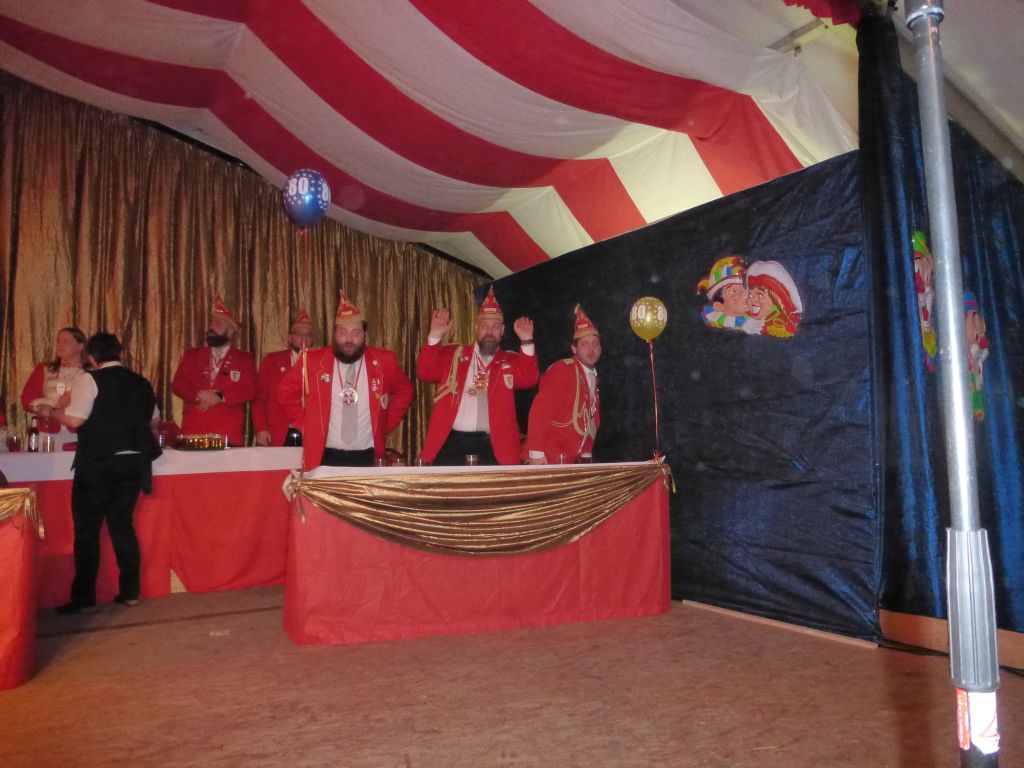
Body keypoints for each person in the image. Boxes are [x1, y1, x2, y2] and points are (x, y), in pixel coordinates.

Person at [50, 332, 162, 614]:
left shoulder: (90, 379)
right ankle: (130, 591)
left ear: (91, 357)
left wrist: (53, 412)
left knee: (87, 531)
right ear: (121, 354)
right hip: (134, 462)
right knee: (122, 526)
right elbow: (154, 419)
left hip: (99, 462)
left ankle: (84, 597)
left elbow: (75, 419)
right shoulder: (141, 382)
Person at [277, 290, 414, 470]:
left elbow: (405, 391)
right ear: (335, 334)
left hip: (368, 454)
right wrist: (306, 425)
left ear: (364, 335)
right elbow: (284, 392)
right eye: (343, 332)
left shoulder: (384, 361)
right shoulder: (312, 361)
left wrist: (384, 425)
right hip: (324, 455)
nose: (349, 339)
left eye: (356, 333)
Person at [417, 288, 538, 465]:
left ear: (502, 330)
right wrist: (435, 335)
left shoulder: (509, 361)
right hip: (452, 443)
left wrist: (527, 341)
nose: (489, 331)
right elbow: (425, 371)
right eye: (484, 325)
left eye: (495, 327)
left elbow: (529, 379)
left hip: (495, 446)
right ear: (475, 328)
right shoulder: (455, 355)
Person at [171, 297, 257, 446]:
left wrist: (218, 396)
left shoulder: (244, 359)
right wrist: (199, 394)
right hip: (194, 431)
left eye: (218, 323)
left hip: (227, 432)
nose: (211, 327)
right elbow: (178, 385)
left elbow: (250, 390)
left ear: (231, 332)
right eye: (211, 322)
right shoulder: (192, 355)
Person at [526, 304, 601, 464]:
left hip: (569, 461)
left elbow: (591, 423)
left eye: (595, 343)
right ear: (574, 349)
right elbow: (540, 412)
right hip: (547, 460)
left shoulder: (593, 376)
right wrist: (536, 455)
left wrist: (585, 456)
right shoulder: (563, 369)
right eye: (584, 344)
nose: (591, 349)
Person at [254, 309, 316, 446]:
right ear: (290, 338)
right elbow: (260, 400)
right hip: (279, 432)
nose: (303, 339)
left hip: (311, 432)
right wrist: (261, 428)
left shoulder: (320, 363)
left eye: (308, 335)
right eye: (298, 334)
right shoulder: (272, 361)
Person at [20, 326, 89, 448]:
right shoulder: (44, 369)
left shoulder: (90, 373)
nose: (60, 345)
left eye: (66, 341)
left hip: (81, 433)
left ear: (80, 346)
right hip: (47, 431)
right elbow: (26, 400)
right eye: (58, 341)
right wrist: (53, 404)